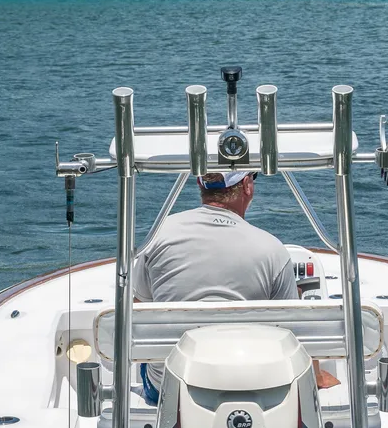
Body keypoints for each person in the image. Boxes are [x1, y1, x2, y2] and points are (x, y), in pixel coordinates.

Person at [133, 168, 338, 400]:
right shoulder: (271, 249)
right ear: (247, 186)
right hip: (249, 384)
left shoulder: (158, 236)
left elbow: (139, 309)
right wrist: (317, 378)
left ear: (201, 185)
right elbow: (295, 330)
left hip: (169, 388)